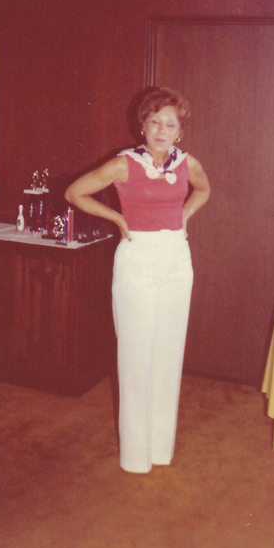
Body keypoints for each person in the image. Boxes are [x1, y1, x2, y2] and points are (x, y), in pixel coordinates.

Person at [64, 87, 210, 473]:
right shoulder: (124, 164)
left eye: (170, 124)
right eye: (155, 122)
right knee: (135, 354)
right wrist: (116, 219)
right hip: (137, 260)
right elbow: (75, 192)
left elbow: (204, 189)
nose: (162, 130)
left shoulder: (186, 163)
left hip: (177, 258)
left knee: (168, 353)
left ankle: (161, 448)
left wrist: (184, 217)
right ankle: (135, 455)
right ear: (142, 125)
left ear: (179, 130)